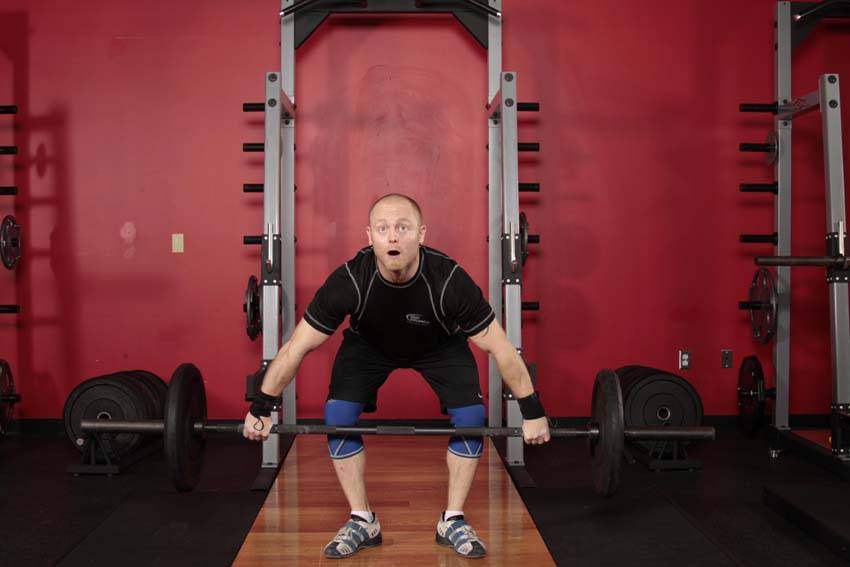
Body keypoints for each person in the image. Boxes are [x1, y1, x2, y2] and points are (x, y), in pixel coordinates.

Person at [243, 193, 550, 559]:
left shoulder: (449, 280)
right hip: (368, 347)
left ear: (421, 235)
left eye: (402, 228)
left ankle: (452, 520)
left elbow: (501, 347)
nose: (392, 237)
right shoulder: (349, 280)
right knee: (338, 416)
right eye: (383, 229)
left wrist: (532, 412)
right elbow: (297, 347)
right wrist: (261, 407)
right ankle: (362, 520)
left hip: (441, 345)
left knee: (470, 419)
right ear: (369, 235)